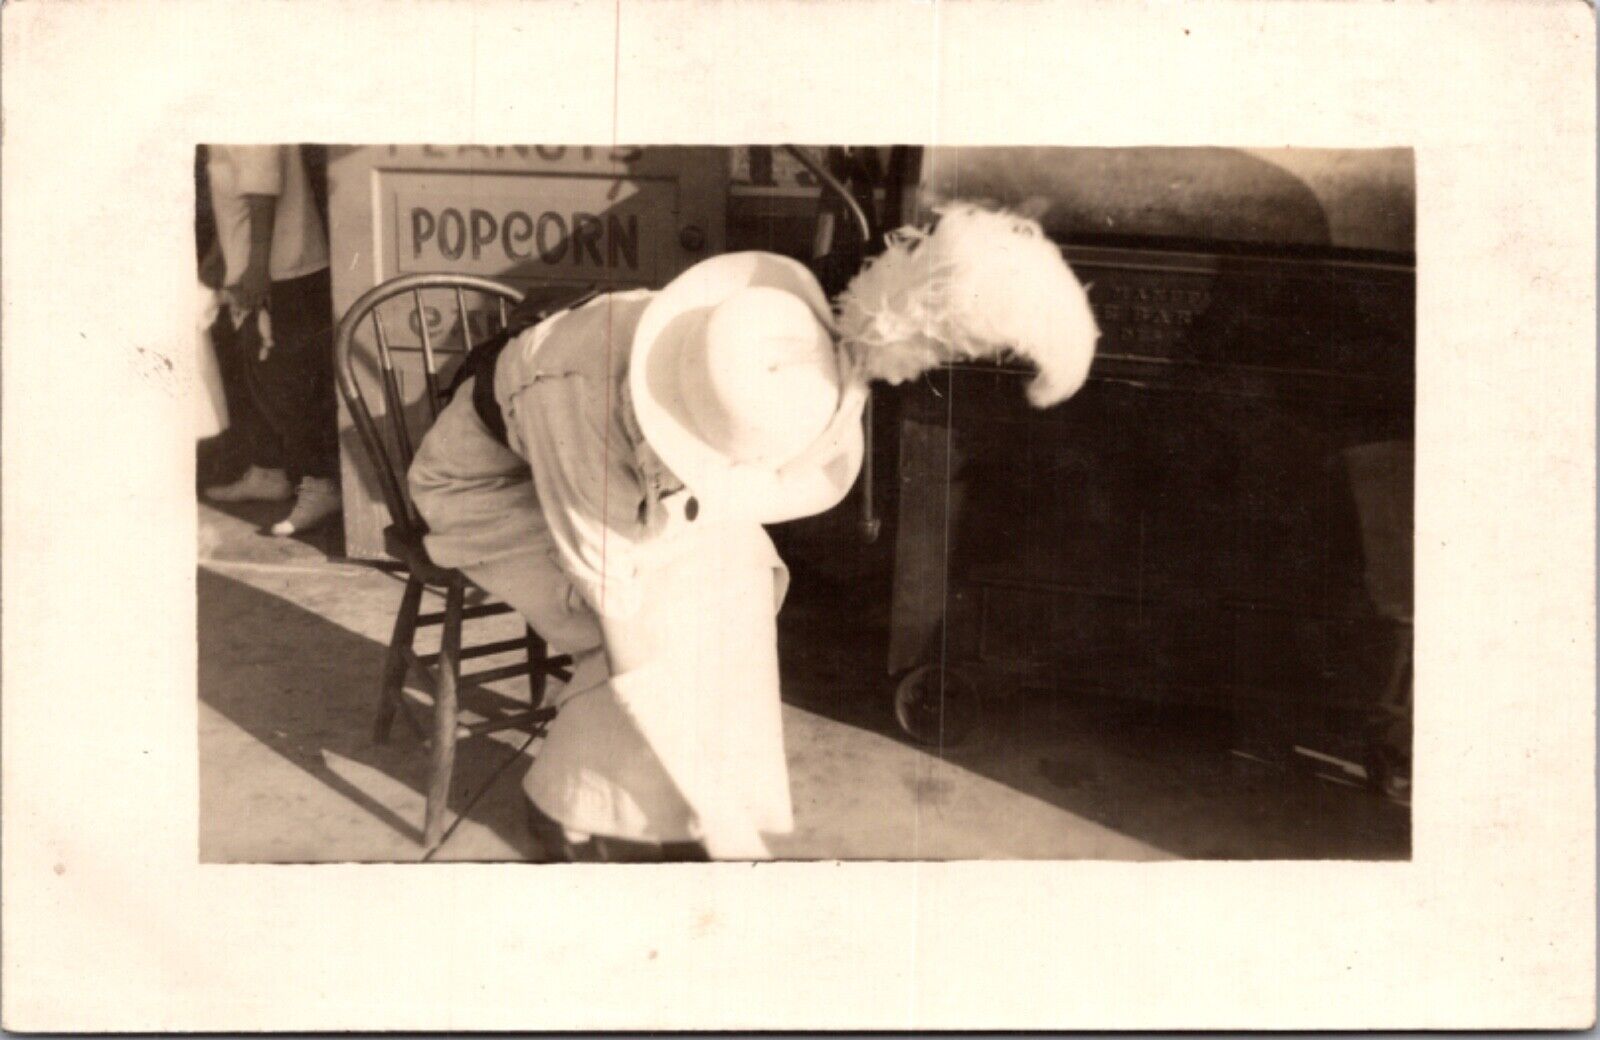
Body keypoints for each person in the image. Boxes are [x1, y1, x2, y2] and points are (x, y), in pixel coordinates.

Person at [408, 206, 1100, 861]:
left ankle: (671, 804)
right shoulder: (589, 398)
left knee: (737, 571)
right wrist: (725, 822)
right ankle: (574, 806)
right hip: (490, 491)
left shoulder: (745, 341)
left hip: (617, 468)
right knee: (655, 617)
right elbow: (626, 635)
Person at [200, 144, 342, 537]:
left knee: (288, 382)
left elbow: (263, 191)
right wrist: (221, 255)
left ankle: (320, 485)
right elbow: (237, 196)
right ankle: (269, 471)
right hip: (256, 266)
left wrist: (257, 268)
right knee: (260, 372)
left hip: (282, 270)